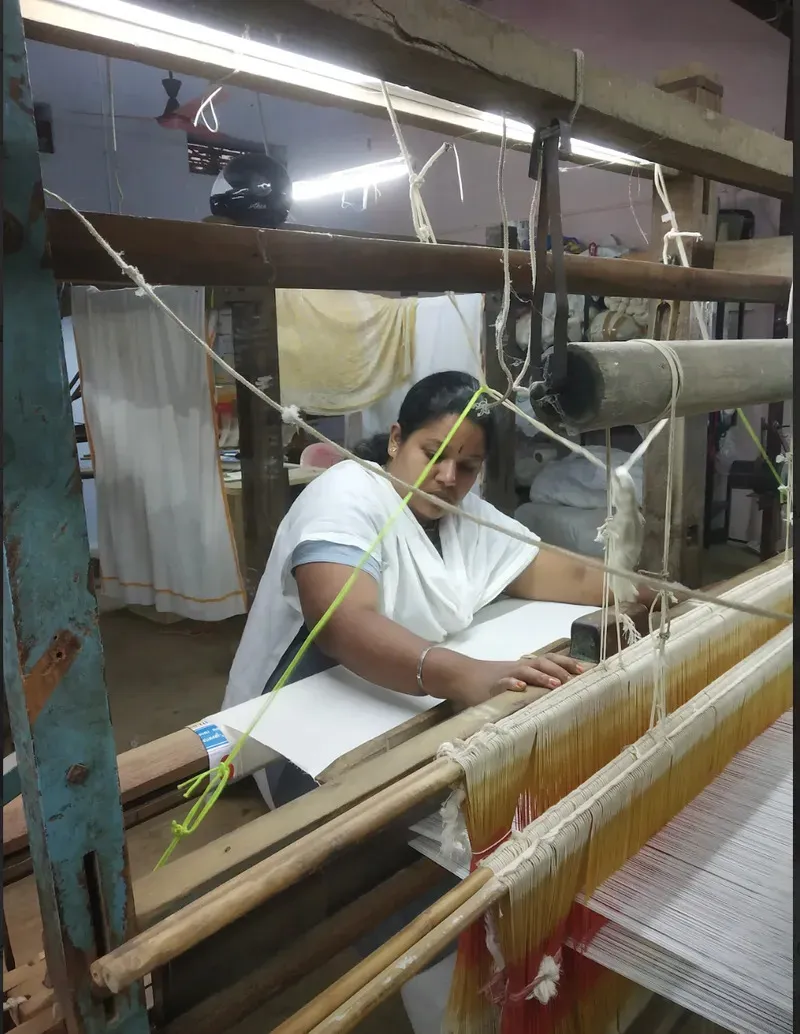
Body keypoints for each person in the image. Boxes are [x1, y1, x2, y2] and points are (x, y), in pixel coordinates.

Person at [224, 370, 652, 806]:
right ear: (396, 440)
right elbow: (341, 622)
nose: (448, 477)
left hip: (398, 691)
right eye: (432, 454)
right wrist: (466, 675)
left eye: (467, 467)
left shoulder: (465, 517)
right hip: (301, 720)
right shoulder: (345, 496)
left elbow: (573, 576)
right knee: (370, 824)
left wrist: (664, 595)